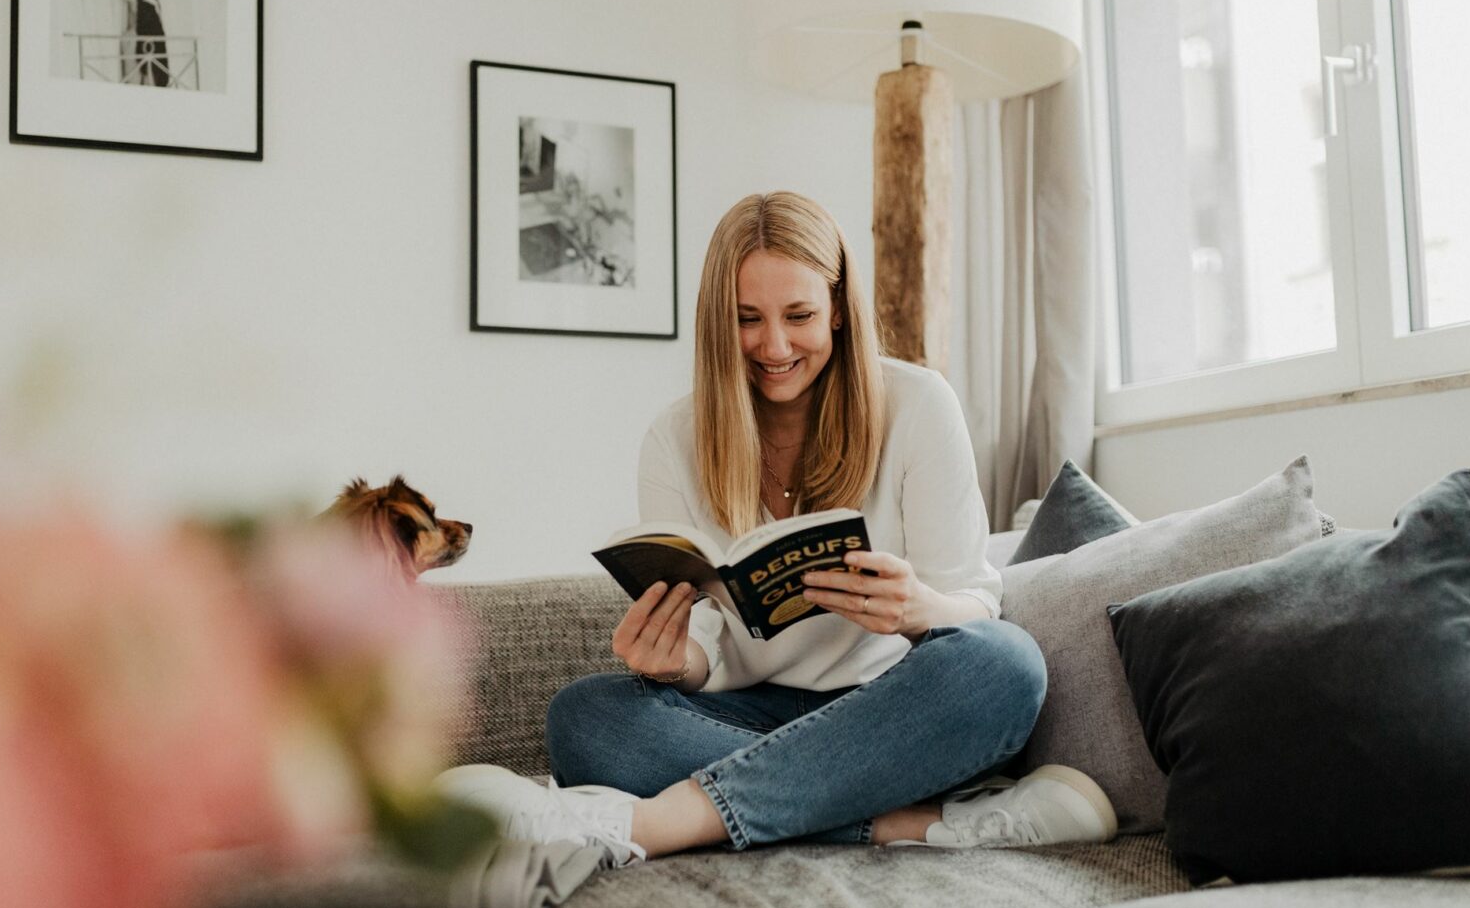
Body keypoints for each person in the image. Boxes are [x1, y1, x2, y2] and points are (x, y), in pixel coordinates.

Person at [434, 191, 1116, 868]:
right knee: (585, 719)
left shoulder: (918, 404)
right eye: (747, 319)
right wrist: (675, 660)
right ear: (717, 321)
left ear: (839, 309)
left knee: (1006, 663)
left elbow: (974, 599)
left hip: (892, 713)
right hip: (754, 718)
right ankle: (901, 822)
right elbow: (707, 639)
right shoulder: (674, 438)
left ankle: (660, 821)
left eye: (799, 316)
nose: (775, 345)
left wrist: (917, 609)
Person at [124, 0, 169, 87]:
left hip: (157, 33)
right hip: (143, 33)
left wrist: (153, 2)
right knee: (144, 67)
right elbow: (133, 10)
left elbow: (159, 12)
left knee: (159, 66)